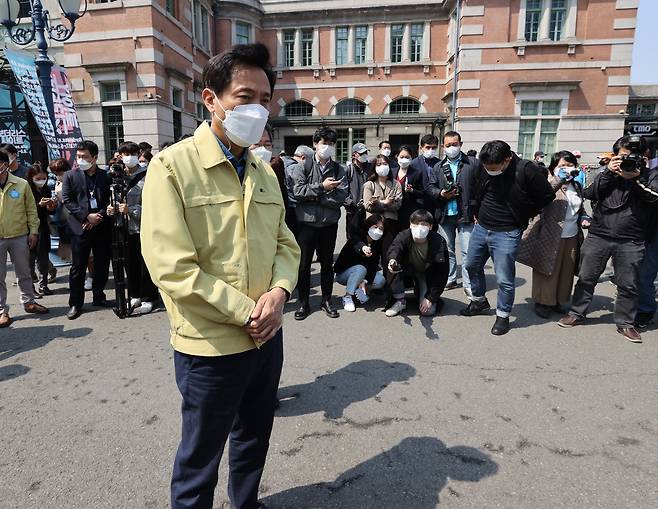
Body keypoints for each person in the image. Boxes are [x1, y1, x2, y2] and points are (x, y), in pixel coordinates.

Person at [140, 43, 300, 509]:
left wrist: (279, 291)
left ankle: (246, 502)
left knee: (254, 436)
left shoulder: (264, 170)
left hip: (266, 337)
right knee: (200, 456)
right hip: (209, 346)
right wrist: (250, 311)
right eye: (244, 96)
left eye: (265, 99)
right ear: (210, 99)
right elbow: (172, 267)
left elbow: (285, 243)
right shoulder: (172, 167)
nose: (257, 109)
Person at [558, 136, 658, 343]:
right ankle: (576, 313)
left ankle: (625, 323)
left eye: (633, 156)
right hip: (599, 234)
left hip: (632, 239)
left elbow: (654, 198)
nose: (627, 160)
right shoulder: (604, 172)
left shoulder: (651, 175)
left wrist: (635, 179)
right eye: (623, 156)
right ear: (615, 156)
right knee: (586, 277)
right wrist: (609, 173)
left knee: (629, 284)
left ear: (644, 157)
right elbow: (588, 193)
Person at [461, 140, 555, 336]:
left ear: (507, 159)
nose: (489, 170)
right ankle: (479, 301)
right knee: (470, 265)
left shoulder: (526, 170)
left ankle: (503, 315)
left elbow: (546, 195)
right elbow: (479, 190)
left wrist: (526, 212)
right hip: (482, 227)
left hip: (507, 231)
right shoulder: (484, 166)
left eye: (494, 168)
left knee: (504, 278)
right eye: (487, 167)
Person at [517, 151, 590, 319]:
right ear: (553, 168)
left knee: (565, 270)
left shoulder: (577, 186)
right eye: (562, 165)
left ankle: (558, 300)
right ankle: (542, 302)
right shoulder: (548, 183)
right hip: (549, 233)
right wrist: (559, 179)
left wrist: (584, 217)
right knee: (546, 269)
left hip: (571, 235)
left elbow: (580, 208)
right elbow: (542, 197)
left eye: (570, 165)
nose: (567, 169)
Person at [292, 126, 348, 320]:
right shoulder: (302, 166)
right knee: (303, 265)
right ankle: (304, 303)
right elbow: (298, 192)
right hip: (306, 224)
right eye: (324, 143)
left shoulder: (340, 169)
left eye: (331, 144)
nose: (327, 147)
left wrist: (315, 196)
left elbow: (341, 197)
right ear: (315, 144)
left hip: (328, 225)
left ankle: (326, 300)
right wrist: (323, 188)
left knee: (326, 265)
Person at [62, 140, 112, 320]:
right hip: (79, 228)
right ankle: (75, 303)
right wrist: (86, 216)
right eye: (78, 156)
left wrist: (98, 216)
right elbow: (67, 200)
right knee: (78, 267)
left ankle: (99, 296)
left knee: (102, 264)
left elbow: (109, 199)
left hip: (101, 226)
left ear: (95, 158)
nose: (80, 160)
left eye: (85, 157)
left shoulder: (105, 176)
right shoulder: (70, 175)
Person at [107, 141, 159, 315]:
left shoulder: (149, 175)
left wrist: (132, 210)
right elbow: (113, 197)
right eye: (125, 154)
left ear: (138, 154)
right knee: (130, 263)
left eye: (132, 153)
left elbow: (155, 204)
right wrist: (111, 208)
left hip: (142, 226)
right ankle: (134, 294)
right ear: (120, 156)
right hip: (123, 227)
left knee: (145, 264)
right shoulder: (117, 175)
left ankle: (149, 297)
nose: (129, 157)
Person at [426, 131, 480, 295]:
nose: (452, 148)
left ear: (460, 144)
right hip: (445, 214)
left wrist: (478, 212)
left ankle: (469, 284)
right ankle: (450, 278)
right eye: (448, 145)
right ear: (443, 147)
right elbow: (430, 187)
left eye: (455, 144)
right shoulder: (438, 166)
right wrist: (441, 193)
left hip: (466, 214)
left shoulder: (472, 163)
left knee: (467, 252)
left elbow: (480, 188)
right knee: (448, 249)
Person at [0, 150, 48, 327]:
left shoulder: (21, 184)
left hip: (19, 235)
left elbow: (31, 210)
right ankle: (1, 311)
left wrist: (33, 231)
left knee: (24, 272)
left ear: (5, 164)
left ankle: (29, 302)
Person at [385, 209, 449, 317]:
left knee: (428, 311)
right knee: (392, 269)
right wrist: (392, 260)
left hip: (425, 274)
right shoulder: (403, 236)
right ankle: (400, 301)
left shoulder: (439, 242)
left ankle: (421, 292)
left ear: (430, 226)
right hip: (406, 269)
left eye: (424, 224)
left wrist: (430, 298)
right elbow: (395, 248)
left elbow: (442, 273)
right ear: (410, 225)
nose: (419, 227)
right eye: (416, 224)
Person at [334, 213, 387, 312]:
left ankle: (358, 289)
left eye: (381, 229)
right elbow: (341, 264)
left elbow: (374, 265)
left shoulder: (377, 243)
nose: (377, 231)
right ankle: (348, 296)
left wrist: (365, 281)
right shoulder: (357, 239)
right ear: (368, 226)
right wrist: (362, 248)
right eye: (375, 227)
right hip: (343, 274)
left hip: (362, 274)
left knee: (380, 281)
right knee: (360, 268)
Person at [363, 154, 402, 271]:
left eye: (385, 164)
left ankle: (388, 283)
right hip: (373, 225)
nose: (382, 167)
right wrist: (385, 203)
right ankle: (372, 283)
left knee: (388, 255)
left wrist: (378, 204)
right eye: (379, 164)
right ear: (374, 167)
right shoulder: (369, 185)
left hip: (390, 224)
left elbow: (397, 205)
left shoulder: (396, 184)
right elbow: (368, 206)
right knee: (372, 255)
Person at [26, 163, 57, 297]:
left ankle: (43, 285)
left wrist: (50, 207)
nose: (42, 181)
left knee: (43, 257)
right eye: (38, 178)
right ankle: (30, 286)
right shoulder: (26, 189)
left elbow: (49, 211)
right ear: (31, 177)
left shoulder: (46, 189)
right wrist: (39, 205)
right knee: (29, 259)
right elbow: (25, 210)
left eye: (44, 178)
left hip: (42, 227)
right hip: (28, 228)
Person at [250, 124, 288, 206]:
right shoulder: (238, 171)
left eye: (267, 145)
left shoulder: (276, 167)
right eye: (257, 144)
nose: (263, 149)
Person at [392, 145, 425, 230]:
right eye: (401, 157)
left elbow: (422, 193)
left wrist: (412, 190)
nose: (404, 159)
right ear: (397, 157)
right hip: (393, 210)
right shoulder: (392, 171)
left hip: (409, 211)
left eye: (407, 157)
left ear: (411, 158)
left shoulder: (417, 173)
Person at [284, 145, 314, 236]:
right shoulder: (295, 168)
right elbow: (297, 191)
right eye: (311, 161)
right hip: (293, 209)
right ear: (303, 157)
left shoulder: (285, 163)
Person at [344, 142, 373, 235]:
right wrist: (351, 204)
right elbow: (343, 190)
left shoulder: (370, 168)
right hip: (352, 212)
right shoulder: (348, 170)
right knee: (352, 239)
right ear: (354, 155)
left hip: (368, 211)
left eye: (366, 153)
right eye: (361, 153)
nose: (364, 155)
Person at [410, 134, 439, 219]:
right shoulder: (414, 164)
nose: (431, 150)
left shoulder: (439, 163)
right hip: (419, 204)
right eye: (428, 147)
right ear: (421, 148)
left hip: (436, 204)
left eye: (433, 148)